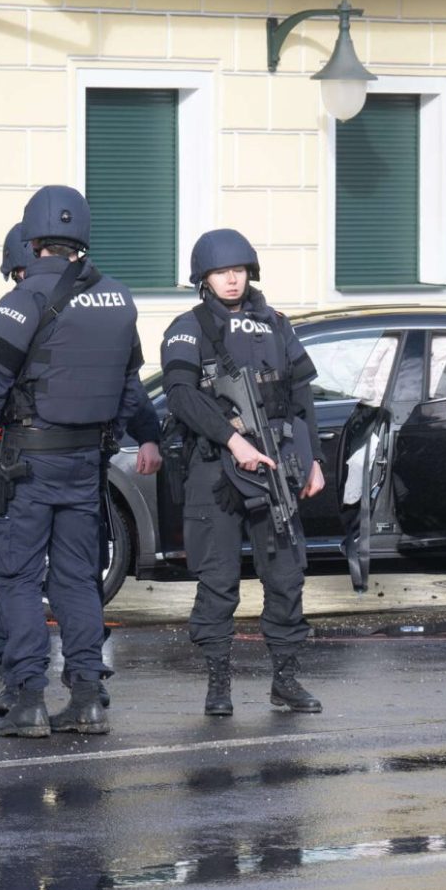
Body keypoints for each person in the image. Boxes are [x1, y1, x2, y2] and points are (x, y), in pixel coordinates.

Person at [0, 185, 153, 737]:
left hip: (27, 465)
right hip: (87, 465)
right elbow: (131, 389)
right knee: (77, 579)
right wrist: (128, 437)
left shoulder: (18, 303)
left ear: (33, 238)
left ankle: (27, 700)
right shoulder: (118, 299)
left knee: (18, 578)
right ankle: (88, 696)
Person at [160, 229, 328, 716]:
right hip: (216, 469)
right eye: (221, 272)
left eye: (238, 271)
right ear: (204, 279)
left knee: (286, 575)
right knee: (218, 580)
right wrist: (233, 441)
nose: (232, 279)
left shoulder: (275, 323)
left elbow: (301, 397)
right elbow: (182, 396)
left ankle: (286, 680)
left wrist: (313, 459)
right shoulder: (188, 327)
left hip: (275, 464)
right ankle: (218, 684)